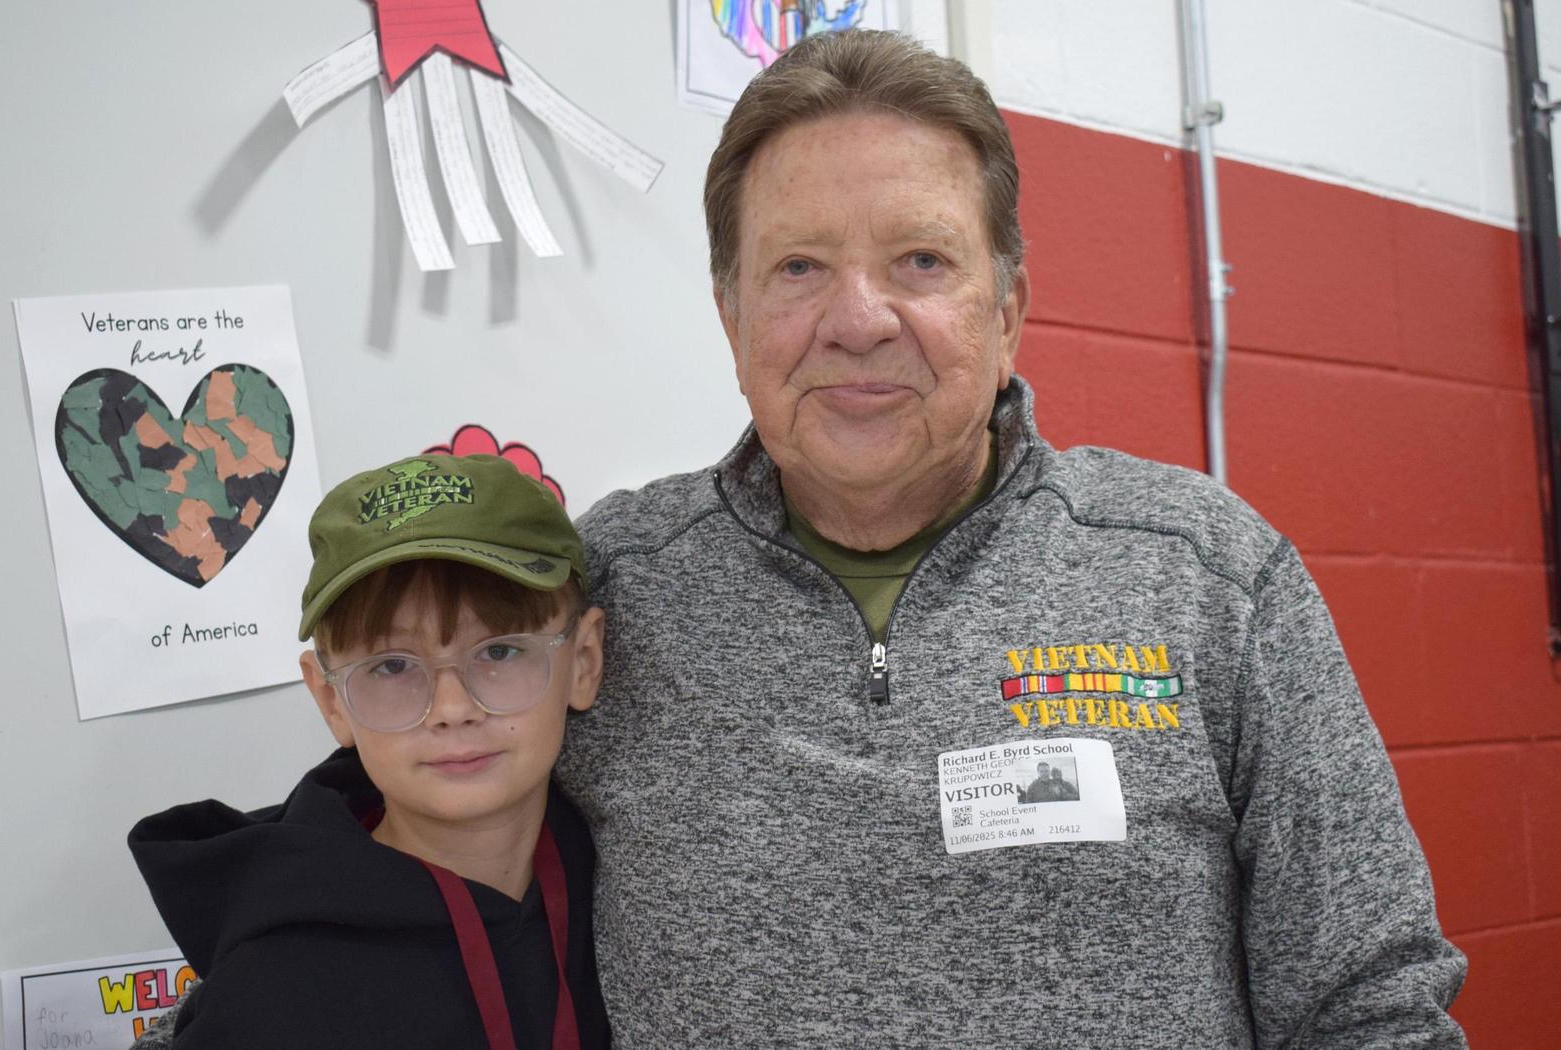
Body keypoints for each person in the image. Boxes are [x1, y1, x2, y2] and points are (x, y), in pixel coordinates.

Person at [554, 29, 1467, 1048]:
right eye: (799, 265)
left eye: (921, 260)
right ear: (731, 320)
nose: (858, 319)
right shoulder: (609, 591)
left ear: (1005, 314)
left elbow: (1370, 1006)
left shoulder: (1205, 577)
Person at [128, 453, 610, 1049]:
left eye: (500, 651)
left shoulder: (638, 889)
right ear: (331, 700)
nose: (452, 707)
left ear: (584, 662)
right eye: (391, 666)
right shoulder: (268, 995)